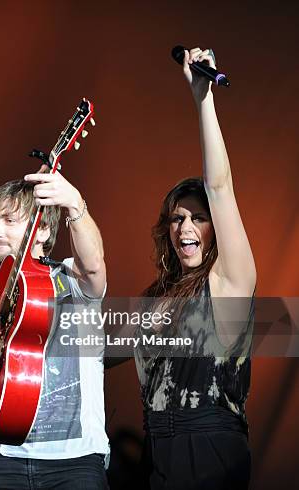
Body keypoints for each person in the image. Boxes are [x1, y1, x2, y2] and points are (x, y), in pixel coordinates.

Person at [0, 170, 109, 489]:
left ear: (41, 229)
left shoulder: (70, 280)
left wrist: (74, 204)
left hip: (75, 463)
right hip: (3, 463)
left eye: (9, 221)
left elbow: (95, 265)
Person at [135, 47, 256, 489]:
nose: (186, 226)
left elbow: (219, 187)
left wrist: (203, 97)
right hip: (158, 450)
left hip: (210, 448)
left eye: (198, 217)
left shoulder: (229, 281)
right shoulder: (154, 299)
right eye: (177, 218)